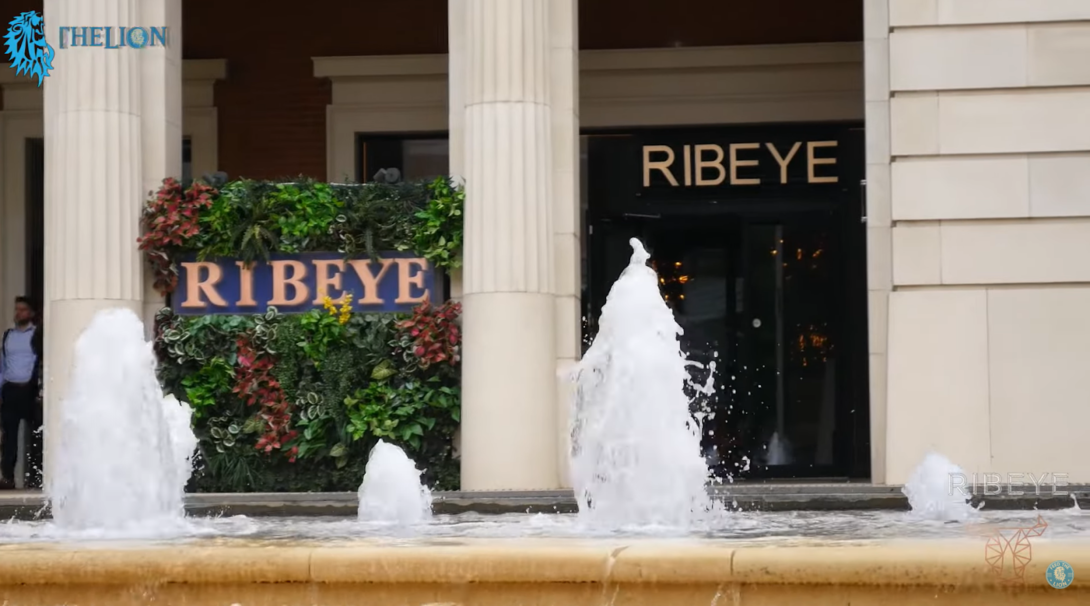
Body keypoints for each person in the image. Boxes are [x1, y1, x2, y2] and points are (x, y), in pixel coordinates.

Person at [0, 296, 43, 489]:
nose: (19, 313)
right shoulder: (8, 335)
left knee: (36, 435)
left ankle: (35, 477)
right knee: (9, 437)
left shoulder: (38, 335)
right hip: (10, 389)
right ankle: (7, 477)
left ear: (32, 313)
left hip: (29, 390)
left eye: (23, 309)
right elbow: (3, 363)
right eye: (17, 309)